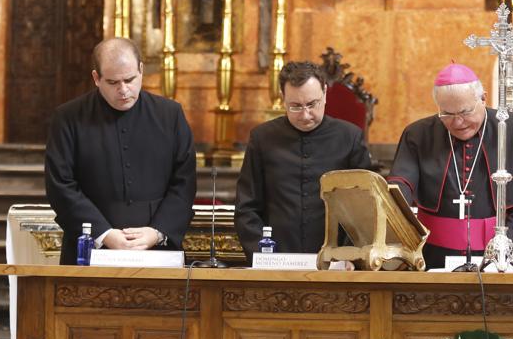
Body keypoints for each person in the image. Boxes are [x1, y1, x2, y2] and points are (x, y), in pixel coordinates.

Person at [388, 63, 513, 269]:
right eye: (447, 114)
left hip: (498, 261)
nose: (458, 123)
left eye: (465, 112)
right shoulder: (417, 134)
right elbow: (400, 187)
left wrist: (503, 254)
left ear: (483, 98)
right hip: (432, 257)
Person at [45, 37, 197, 265]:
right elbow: (60, 185)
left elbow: (184, 183)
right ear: (96, 78)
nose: (124, 90)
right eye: (113, 82)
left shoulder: (170, 115)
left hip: (158, 251)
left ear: (141, 70)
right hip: (89, 249)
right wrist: (104, 234)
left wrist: (156, 232)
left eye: (130, 79)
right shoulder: (68, 118)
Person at [234, 61, 373, 258]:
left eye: (312, 104)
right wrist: (263, 254)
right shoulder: (262, 138)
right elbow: (246, 207)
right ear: (283, 99)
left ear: (324, 93)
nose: (305, 115)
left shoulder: (350, 137)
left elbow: (364, 208)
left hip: (337, 261)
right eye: (295, 106)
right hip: (276, 259)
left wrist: (350, 255)